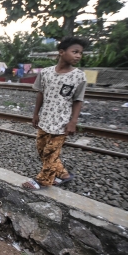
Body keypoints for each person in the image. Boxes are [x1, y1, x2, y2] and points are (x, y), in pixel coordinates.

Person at [22, 37, 88, 190]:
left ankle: (43, 180)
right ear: (61, 52)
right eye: (75, 52)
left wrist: (73, 122)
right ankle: (63, 174)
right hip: (45, 119)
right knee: (42, 150)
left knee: (51, 153)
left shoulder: (79, 76)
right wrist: (35, 114)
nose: (78, 56)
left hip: (61, 123)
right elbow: (40, 94)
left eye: (80, 53)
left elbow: (78, 100)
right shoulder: (45, 73)